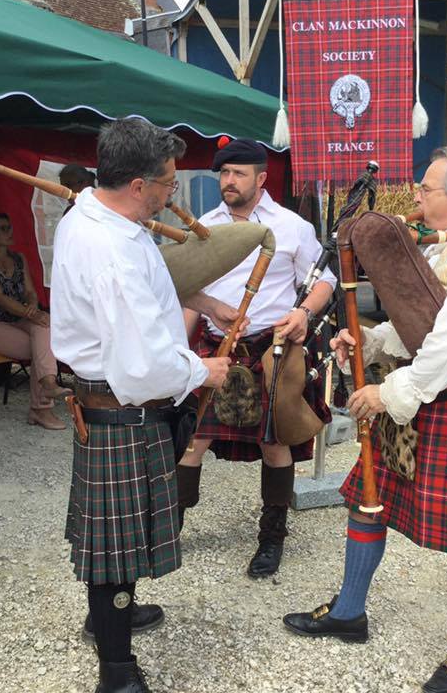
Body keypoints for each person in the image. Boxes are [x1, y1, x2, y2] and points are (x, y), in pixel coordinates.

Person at [282, 147, 447, 693]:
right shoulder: (443, 250)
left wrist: (393, 391)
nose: (416, 195)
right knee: (368, 498)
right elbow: (419, 327)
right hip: (425, 391)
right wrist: (370, 342)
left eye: (426, 188)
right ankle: (349, 613)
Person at [50, 118, 241, 693]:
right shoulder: (108, 247)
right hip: (121, 407)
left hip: (109, 406)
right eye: (167, 184)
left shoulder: (96, 214)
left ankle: (107, 618)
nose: (170, 195)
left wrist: (207, 304)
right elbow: (141, 365)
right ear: (138, 185)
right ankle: (116, 673)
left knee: (118, 536)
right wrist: (201, 370)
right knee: (116, 545)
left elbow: (151, 285)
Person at [178, 138, 335, 578]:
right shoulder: (205, 228)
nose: (228, 181)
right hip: (216, 348)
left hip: (270, 348)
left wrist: (304, 313)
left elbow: (325, 279)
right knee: (192, 439)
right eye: (224, 174)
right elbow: (189, 292)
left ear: (261, 178)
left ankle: (272, 537)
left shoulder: (290, 226)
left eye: (238, 174)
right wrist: (179, 350)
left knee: (274, 441)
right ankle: (169, 528)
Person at [0, 212, 70, 430]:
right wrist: (32, 314)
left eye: (10, 227)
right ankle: (42, 406)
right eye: (3, 228)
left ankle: (47, 388)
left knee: (45, 327)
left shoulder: (18, 259)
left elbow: (29, 292)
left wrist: (33, 305)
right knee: (42, 344)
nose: (10, 232)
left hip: (18, 319)